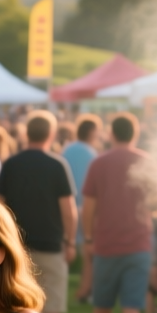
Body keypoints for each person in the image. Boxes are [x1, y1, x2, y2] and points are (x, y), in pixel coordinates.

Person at [84, 114, 157, 313]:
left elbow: (89, 207)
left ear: (111, 134)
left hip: (106, 243)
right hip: (139, 243)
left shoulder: (99, 162)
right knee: (132, 306)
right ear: (135, 133)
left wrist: (89, 238)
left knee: (102, 305)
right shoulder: (147, 162)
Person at [0, 111, 78, 313]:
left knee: (15, 305)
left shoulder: (11, 164)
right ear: (51, 134)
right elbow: (68, 209)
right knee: (52, 306)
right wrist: (71, 241)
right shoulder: (57, 165)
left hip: (16, 246)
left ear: (26, 133)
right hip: (50, 245)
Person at [64, 115, 102, 299]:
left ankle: (64, 289)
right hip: (87, 206)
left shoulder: (66, 150)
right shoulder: (92, 154)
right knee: (88, 250)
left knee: (66, 248)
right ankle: (86, 290)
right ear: (91, 132)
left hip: (67, 205)